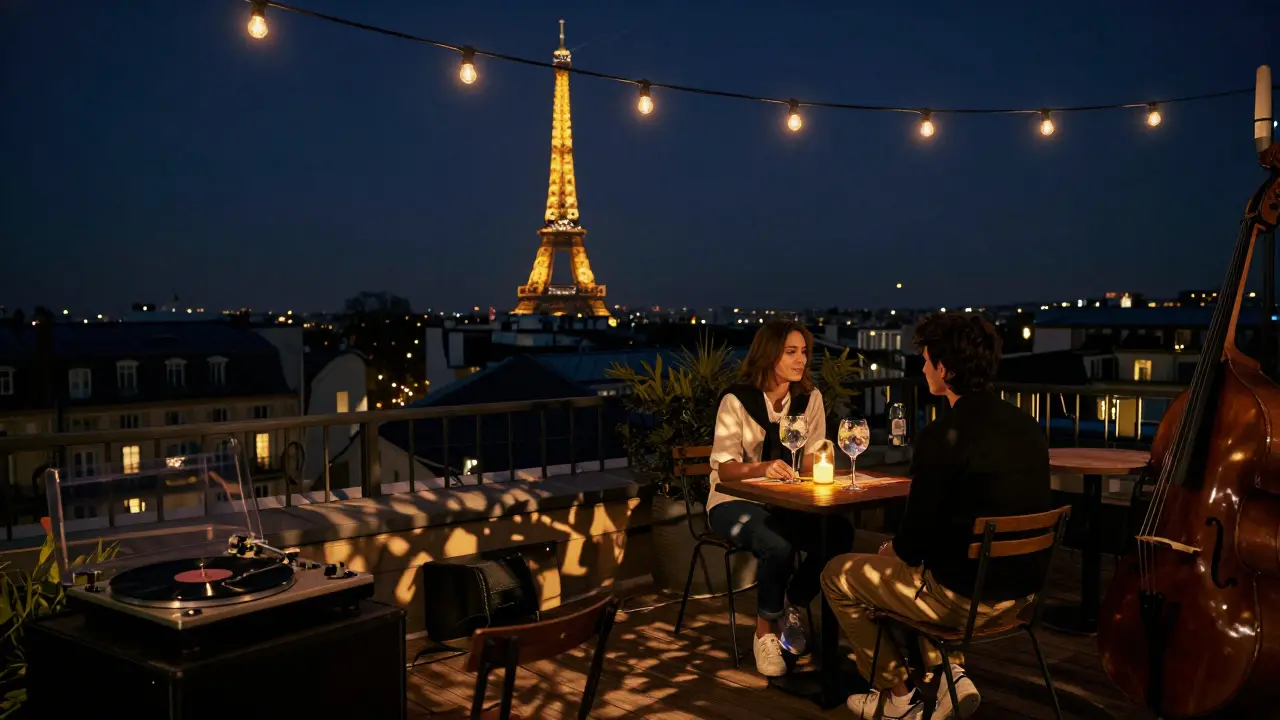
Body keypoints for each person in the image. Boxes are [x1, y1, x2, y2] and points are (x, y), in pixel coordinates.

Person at [821, 313, 1051, 719]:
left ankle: (897, 698)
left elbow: (912, 545)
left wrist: (889, 551)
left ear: (945, 369)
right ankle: (950, 676)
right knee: (925, 567)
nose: (923, 367)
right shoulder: (1029, 427)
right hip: (1020, 595)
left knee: (839, 573)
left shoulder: (942, 438)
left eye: (926, 360)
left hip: (962, 601)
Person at [707, 319, 854, 677]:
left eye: (804, 351)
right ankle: (764, 633)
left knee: (838, 534)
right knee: (777, 545)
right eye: (791, 352)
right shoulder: (737, 400)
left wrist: (820, 462)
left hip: (787, 500)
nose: (801, 359)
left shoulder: (810, 399)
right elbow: (725, 470)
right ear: (769, 354)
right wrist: (763, 467)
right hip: (731, 502)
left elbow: (816, 454)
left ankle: (793, 601)